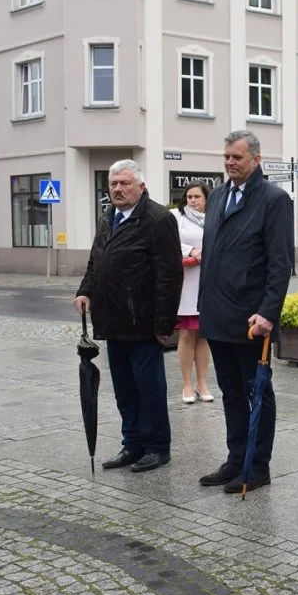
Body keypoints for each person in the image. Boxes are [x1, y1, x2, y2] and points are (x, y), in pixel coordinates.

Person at [197, 130, 293, 494]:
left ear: (256, 159)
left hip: (252, 319)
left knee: (257, 392)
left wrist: (268, 312)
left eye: (237, 157)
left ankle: (257, 465)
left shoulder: (274, 200)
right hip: (218, 313)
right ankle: (236, 458)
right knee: (230, 391)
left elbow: (280, 263)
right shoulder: (218, 195)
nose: (230, 163)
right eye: (226, 157)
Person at [74, 159, 183, 473]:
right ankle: (132, 444)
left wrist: (164, 323)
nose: (118, 189)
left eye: (125, 183)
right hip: (112, 321)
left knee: (149, 389)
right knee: (124, 389)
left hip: (143, 323)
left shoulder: (158, 219)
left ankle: (157, 447)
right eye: (114, 184)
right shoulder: (108, 217)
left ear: (141, 187)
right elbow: (96, 261)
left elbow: (170, 275)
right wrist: (85, 291)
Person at [171, 182, 214, 404]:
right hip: (186, 283)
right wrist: (192, 251)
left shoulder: (214, 218)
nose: (193, 200)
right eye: (189, 196)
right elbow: (168, 242)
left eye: (197, 196)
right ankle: (187, 384)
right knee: (187, 334)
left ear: (207, 198)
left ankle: (202, 382)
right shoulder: (176, 217)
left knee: (204, 334)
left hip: (208, 282)